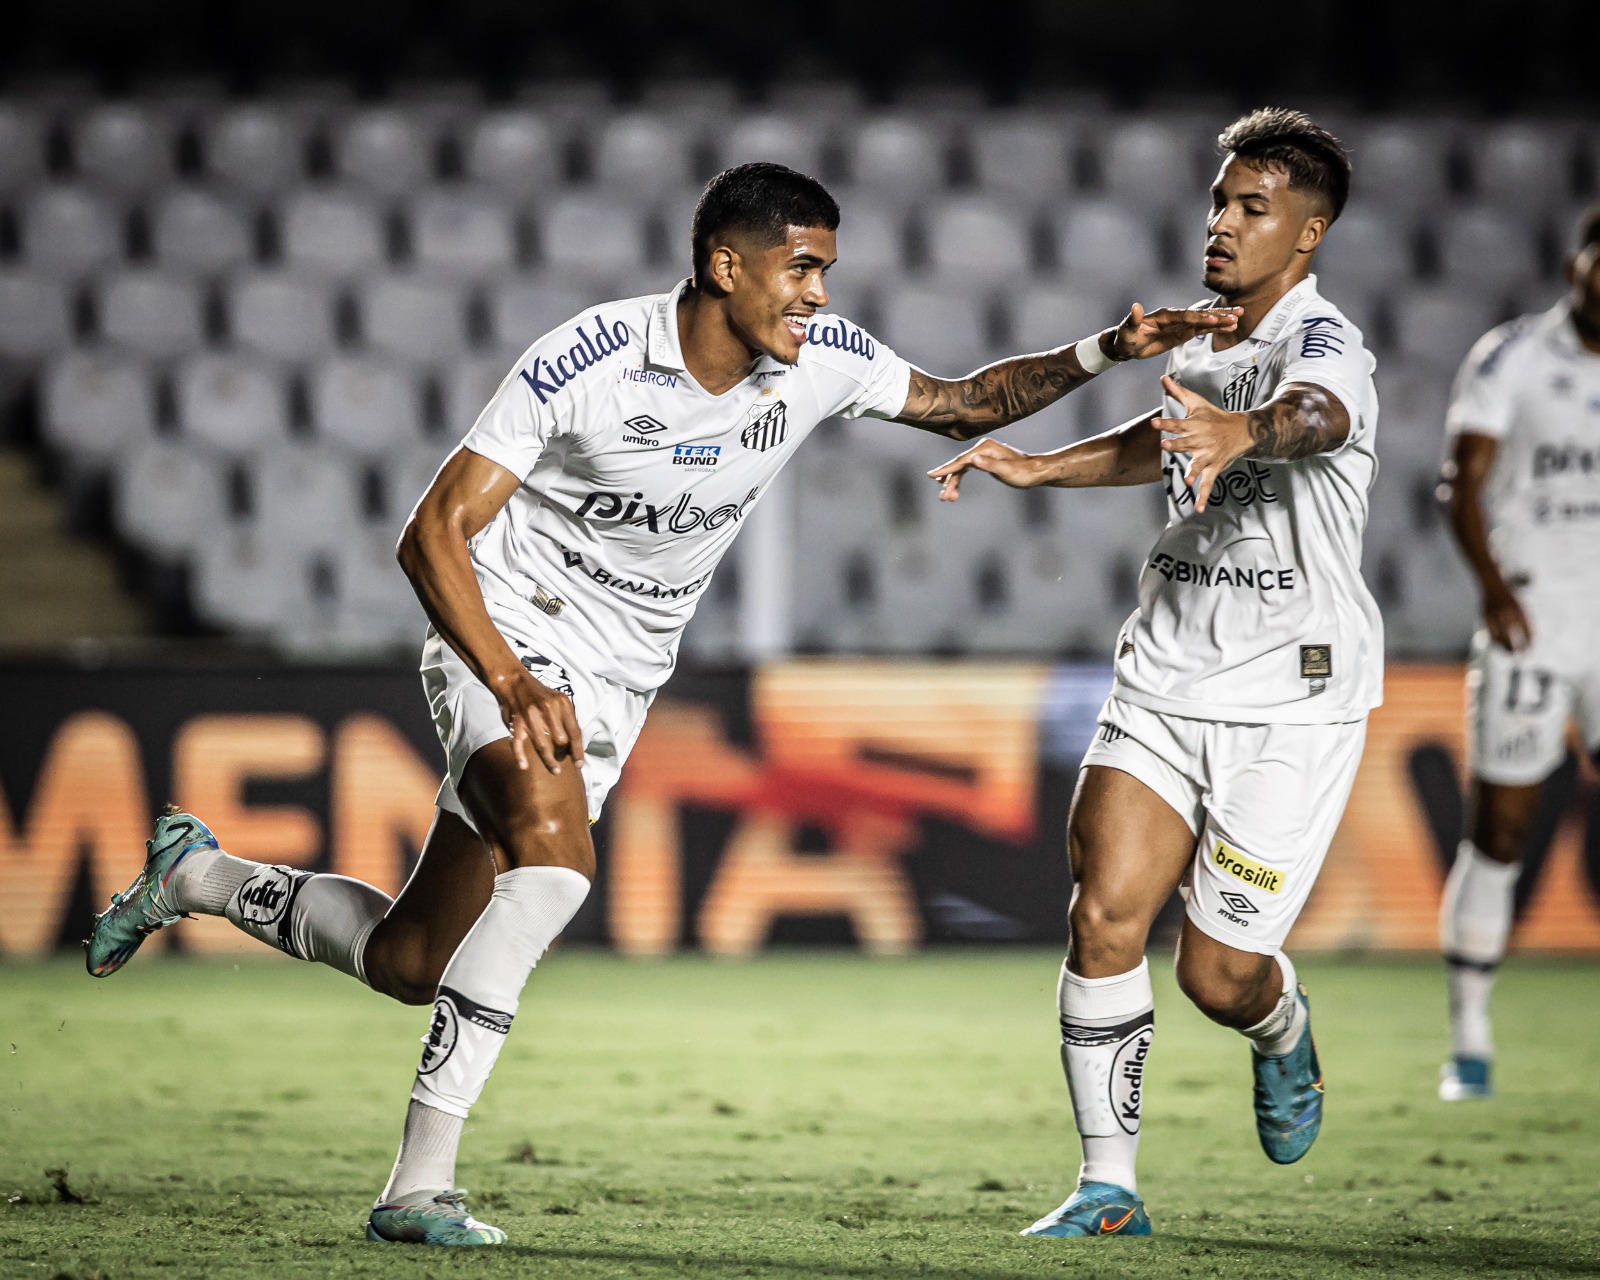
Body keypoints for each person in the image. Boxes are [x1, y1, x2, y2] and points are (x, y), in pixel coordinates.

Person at [85, 161, 1237, 1246]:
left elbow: (960, 402)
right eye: (799, 266)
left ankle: (197, 875)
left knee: (409, 959)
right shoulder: (588, 359)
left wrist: (1106, 349)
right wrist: (509, 675)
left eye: (825, 268)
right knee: (555, 865)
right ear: (725, 265)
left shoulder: (820, 356)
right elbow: (430, 532)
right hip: (509, 632)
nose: (819, 292)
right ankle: (417, 1186)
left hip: (622, 675)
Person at [930, 108, 1380, 1238]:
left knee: (1218, 975)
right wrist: (1040, 467)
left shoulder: (1325, 346)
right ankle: (1105, 1185)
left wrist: (1249, 433)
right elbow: (1160, 438)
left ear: (1309, 231)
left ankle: (1281, 1029)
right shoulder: (1205, 344)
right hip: (1164, 672)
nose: (1220, 223)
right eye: (1219, 200)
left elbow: (1314, 417)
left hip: (1290, 696)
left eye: (1251, 207)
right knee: (1102, 917)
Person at [1433, 205, 1600, 1101]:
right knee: (1500, 831)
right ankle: (1469, 1042)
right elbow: (1462, 483)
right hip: (1534, 618)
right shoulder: (1513, 357)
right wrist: (1495, 590)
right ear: (1577, 264)